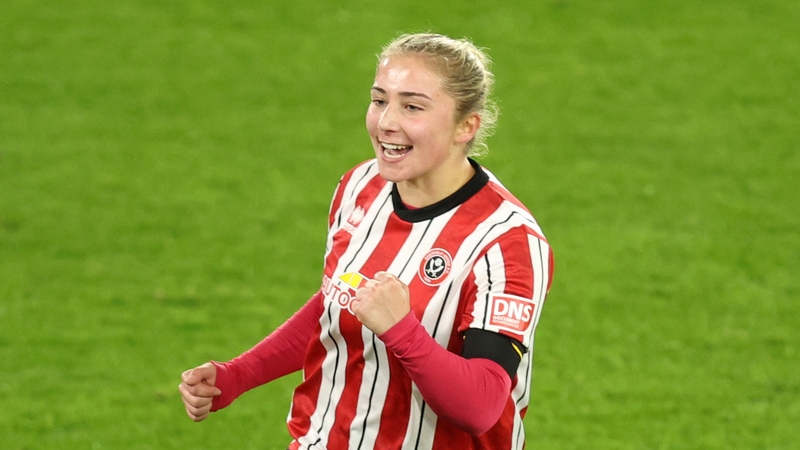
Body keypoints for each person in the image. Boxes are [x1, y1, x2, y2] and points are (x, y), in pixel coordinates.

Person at [179, 32, 554, 450]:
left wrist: (401, 330)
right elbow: (335, 303)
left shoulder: (505, 241)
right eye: (379, 100)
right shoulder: (361, 186)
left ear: (466, 126)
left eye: (412, 106)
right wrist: (240, 374)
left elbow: (479, 407)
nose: (386, 122)